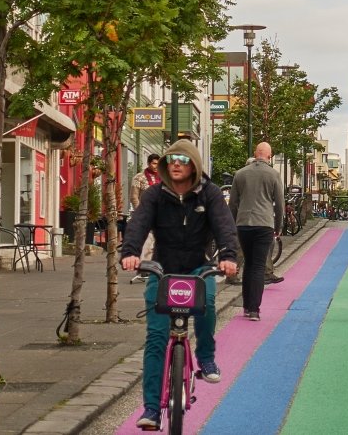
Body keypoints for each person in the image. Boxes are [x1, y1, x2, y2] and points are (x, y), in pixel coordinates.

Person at [121, 141, 239, 430]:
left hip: (198, 266)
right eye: (171, 159)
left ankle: (206, 358)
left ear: (194, 165)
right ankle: (150, 408)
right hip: (162, 269)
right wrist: (130, 252)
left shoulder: (209, 194)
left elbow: (224, 225)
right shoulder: (155, 195)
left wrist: (228, 256)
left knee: (208, 301)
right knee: (156, 339)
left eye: (182, 160)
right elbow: (139, 223)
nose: (175, 164)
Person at [229, 142, 284, 321]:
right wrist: (278, 226)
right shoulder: (273, 174)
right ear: (270, 156)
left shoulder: (240, 174)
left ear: (255, 153)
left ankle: (246, 306)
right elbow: (279, 204)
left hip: (243, 224)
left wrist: (233, 223)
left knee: (248, 264)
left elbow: (233, 203)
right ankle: (254, 309)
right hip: (264, 224)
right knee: (259, 266)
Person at [128, 154, 163, 283]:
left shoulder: (163, 178)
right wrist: (140, 213)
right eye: (154, 164)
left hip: (160, 216)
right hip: (145, 215)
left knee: (157, 243)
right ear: (148, 163)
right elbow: (134, 197)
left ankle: (154, 267)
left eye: (158, 164)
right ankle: (144, 269)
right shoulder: (140, 178)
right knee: (146, 243)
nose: (156, 167)